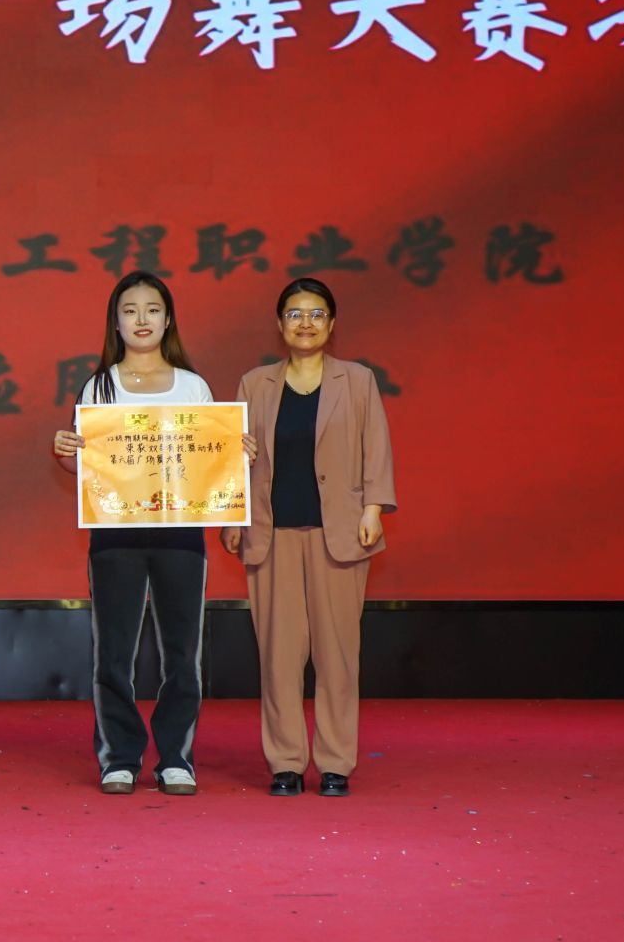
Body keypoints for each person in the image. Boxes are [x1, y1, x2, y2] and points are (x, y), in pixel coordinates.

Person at [52, 272, 252, 797]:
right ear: (115, 323)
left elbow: (209, 459)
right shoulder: (98, 386)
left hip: (180, 535)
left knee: (182, 653)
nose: (142, 319)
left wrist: (236, 455)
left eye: (152, 309)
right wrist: (68, 454)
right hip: (114, 534)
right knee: (112, 653)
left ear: (168, 320)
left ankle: (175, 758)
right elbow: (89, 468)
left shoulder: (193, 386)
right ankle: (119, 757)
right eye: (130, 310)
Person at [224, 278, 396, 798]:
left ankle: (336, 762)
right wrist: (231, 515)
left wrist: (373, 508)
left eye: (316, 314)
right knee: (279, 657)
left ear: (332, 323)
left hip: (338, 535)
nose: (306, 323)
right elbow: (231, 459)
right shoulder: (255, 384)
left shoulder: (357, 380)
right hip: (270, 534)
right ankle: (286, 763)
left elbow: (376, 445)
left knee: (337, 656)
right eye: (295, 314)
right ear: (279, 324)